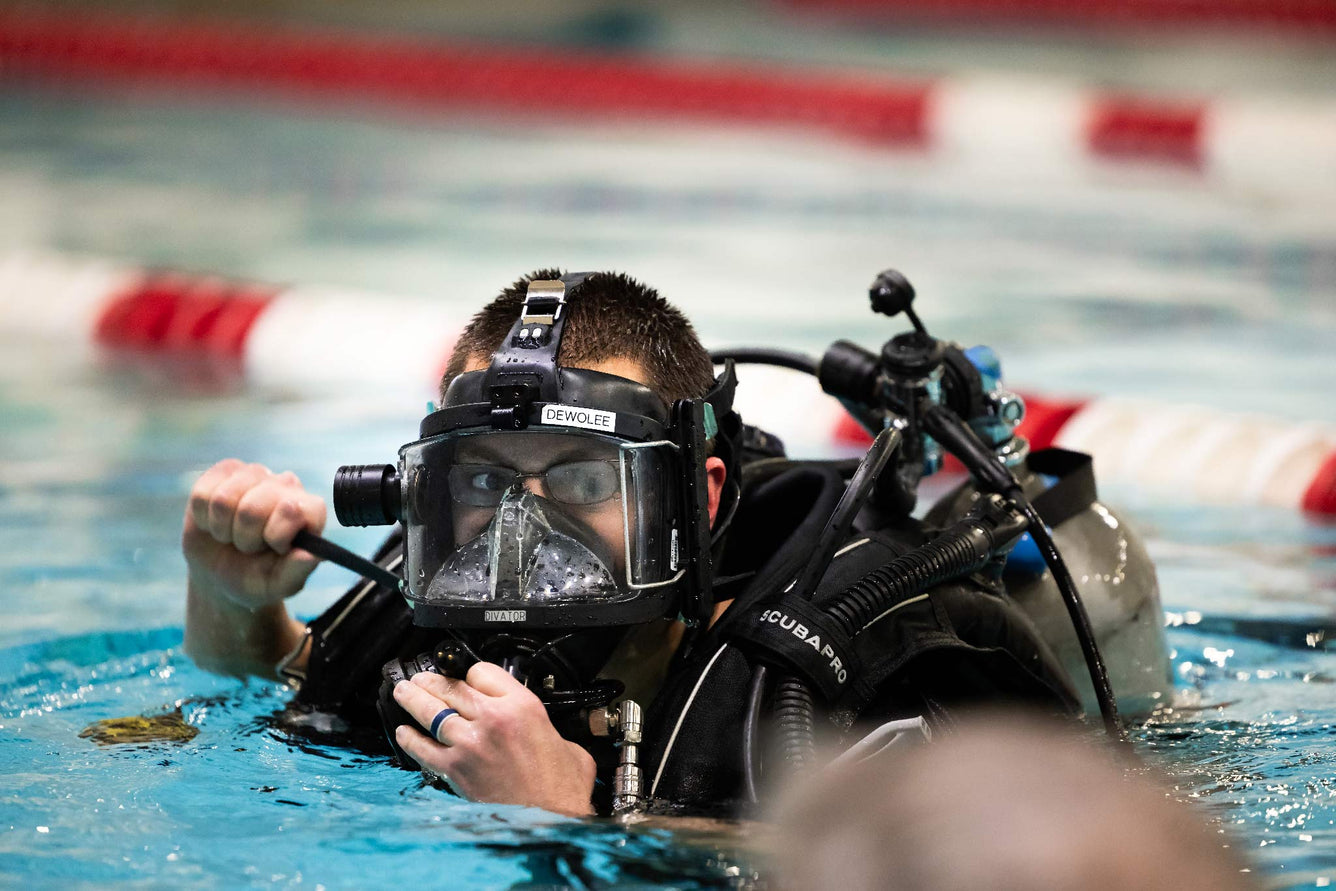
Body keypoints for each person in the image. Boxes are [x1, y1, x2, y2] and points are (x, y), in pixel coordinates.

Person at [182, 269, 1132, 817]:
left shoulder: (837, 680)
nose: (521, 524)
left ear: (695, 497)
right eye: (482, 478)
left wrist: (583, 822)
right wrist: (234, 602)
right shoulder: (449, 580)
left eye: (586, 480)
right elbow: (288, 693)